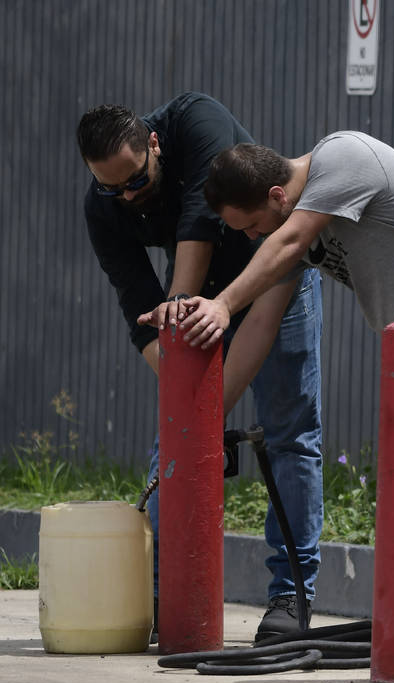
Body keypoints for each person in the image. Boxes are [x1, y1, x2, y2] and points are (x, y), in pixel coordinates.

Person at [77, 93, 325, 642]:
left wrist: (187, 305)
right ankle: (165, 590)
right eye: (109, 188)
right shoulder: (103, 209)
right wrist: (186, 395)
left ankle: (292, 594)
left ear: (154, 146)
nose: (125, 198)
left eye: (134, 182)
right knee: (179, 436)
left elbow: (200, 222)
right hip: (196, 308)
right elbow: (138, 306)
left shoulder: (196, 119)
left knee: (289, 435)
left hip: (271, 281)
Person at [139, 131, 394, 377]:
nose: (253, 236)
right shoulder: (300, 233)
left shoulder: (344, 154)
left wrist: (222, 304)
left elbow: (289, 240)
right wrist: (209, 417)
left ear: (277, 196)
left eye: (252, 224)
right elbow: (260, 324)